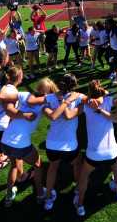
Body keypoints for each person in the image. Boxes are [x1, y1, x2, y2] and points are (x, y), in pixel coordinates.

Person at [0, 71, 54, 207]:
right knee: (38, 165)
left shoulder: (24, 94)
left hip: (5, 140)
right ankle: (41, 194)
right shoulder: (46, 103)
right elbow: (53, 114)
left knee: (14, 165)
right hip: (20, 143)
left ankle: (8, 197)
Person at [71, 80, 117, 217]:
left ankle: (80, 204)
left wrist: (88, 98)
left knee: (84, 176)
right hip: (111, 151)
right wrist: (102, 95)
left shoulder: (86, 105)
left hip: (94, 154)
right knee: (116, 170)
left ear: (89, 92)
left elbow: (78, 96)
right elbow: (113, 96)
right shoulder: (108, 100)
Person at [41, 74, 82, 211]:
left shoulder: (48, 99)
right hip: (70, 146)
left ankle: (48, 197)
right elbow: (69, 115)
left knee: (53, 167)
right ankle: (77, 189)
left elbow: (52, 115)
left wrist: (61, 100)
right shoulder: (78, 98)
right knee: (77, 164)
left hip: (52, 145)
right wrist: (66, 101)